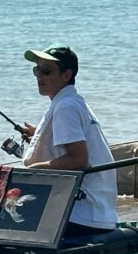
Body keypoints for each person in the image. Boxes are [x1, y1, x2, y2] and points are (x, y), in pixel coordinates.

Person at [22, 44, 117, 234]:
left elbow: (79, 160)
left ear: (67, 75)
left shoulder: (65, 107)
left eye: (46, 70)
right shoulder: (74, 102)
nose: (39, 75)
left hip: (81, 213)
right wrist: (39, 136)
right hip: (99, 210)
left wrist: (34, 170)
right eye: (37, 70)